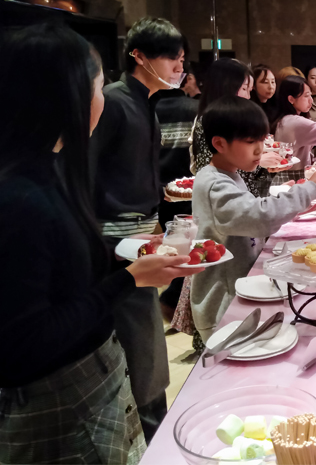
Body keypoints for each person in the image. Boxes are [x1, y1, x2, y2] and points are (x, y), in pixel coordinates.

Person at [0, 23, 201, 464]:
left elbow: (68, 275)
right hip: (61, 408)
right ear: (65, 95)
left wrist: (126, 266)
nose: (101, 95)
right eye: (95, 84)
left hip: (91, 387)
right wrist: (127, 277)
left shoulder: (46, 171)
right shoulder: (21, 198)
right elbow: (25, 340)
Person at [88, 16, 186, 442]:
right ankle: (155, 436)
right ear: (139, 56)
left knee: (144, 342)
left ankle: (151, 430)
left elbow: (128, 172)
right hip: (116, 238)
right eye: (170, 57)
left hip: (144, 227)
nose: (178, 66)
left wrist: (163, 193)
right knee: (142, 342)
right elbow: (87, 176)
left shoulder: (148, 101)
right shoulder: (111, 101)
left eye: (181, 59)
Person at [190, 97, 316, 339]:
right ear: (219, 143)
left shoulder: (227, 173)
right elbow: (259, 216)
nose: (260, 150)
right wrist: (308, 189)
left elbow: (250, 212)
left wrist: (289, 198)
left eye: (262, 140)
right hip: (224, 303)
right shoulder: (214, 183)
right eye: (250, 142)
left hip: (239, 289)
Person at [152, 46, 201, 322]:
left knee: (173, 246)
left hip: (161, 189)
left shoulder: (153, 110)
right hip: (189, 188)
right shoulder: (194, 108)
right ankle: (174, 303)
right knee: (190, 248)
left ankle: (172, 302)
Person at [190, 59, 273, 198]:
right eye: (245, 89)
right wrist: (259, 163)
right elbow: (213, 169)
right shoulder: (210, 121)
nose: (247, 97)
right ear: (226, 87)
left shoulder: (228, 119)